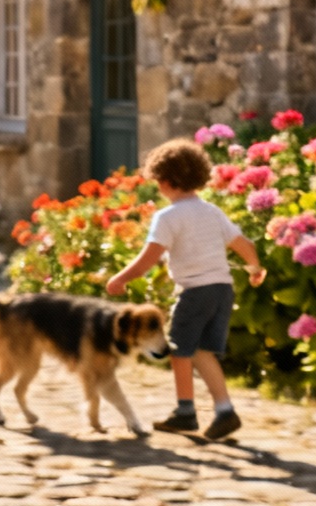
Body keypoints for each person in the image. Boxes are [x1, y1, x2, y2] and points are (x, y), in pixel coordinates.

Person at [105, 138, 265, 440]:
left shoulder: (168, 217)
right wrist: (255, 269)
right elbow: (244, 245)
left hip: (196, 292)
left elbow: (148, 258)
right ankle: (224, 410)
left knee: (180, 349)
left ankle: (186, 412)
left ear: (165, 181)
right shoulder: (212, 212)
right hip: (221, 290)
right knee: (203, 352)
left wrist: (121, 279)